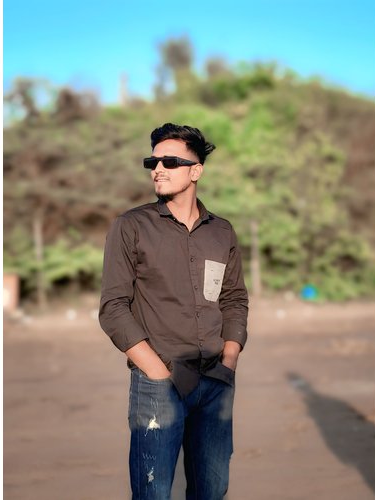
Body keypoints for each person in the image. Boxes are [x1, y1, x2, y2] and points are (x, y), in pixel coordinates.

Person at [98, 123, 249, 500]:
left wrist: (229, 358)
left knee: (212, 490)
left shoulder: (222, 232)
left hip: (214, 381)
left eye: (170, 161)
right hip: (158, 384)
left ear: (196, 171)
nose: (158, 169)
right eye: (153, 161)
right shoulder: (131, 226)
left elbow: (233, 298)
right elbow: (113, 307)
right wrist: (156, 371)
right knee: (153, 492)